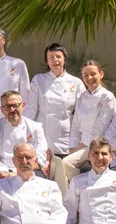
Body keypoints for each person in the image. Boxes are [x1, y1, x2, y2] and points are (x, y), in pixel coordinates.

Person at [53, 60, 116, 194]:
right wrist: (72, 147)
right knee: (58, 165)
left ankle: (83, 191)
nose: (89, 78)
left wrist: (82, 146)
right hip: (81, 144)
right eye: (85, 75)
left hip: (98, 144)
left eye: (93, 74)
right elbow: (76, 125)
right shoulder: (81, 97)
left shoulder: (107, 97)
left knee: (66, 163)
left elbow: (101, 126)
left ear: (101, 74)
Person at [24, 43, 82, 176]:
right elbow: (31, 109)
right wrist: (24, 131)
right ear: (47, 61)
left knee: (64, 178)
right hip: (44, 134)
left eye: (58, 57)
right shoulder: (39, 80)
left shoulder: (76, 82)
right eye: (51, 57)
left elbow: (81, 113)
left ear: (64, 60)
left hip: (66, 137)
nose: (55, 60)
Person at [0, 91, 48, 184]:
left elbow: (40, 158)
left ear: (23, 105)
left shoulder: (35, 128)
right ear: (2, 109)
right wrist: (6, 174)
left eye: (15, 105)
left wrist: (18, 173)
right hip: (3, 171)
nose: (12, 110)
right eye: (8, 106)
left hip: (30, 169)